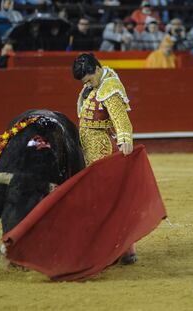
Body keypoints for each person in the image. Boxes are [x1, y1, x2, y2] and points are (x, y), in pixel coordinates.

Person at [72, 53, 136, 264]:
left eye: (89, 79)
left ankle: (124, 248)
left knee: (107, 198)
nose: (87, 84)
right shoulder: (93, 85)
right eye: (85, 82)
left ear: (97, 69)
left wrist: (125, 139)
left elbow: (120, 118)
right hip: (88, 147)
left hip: (103, 148)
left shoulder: (109, 87)